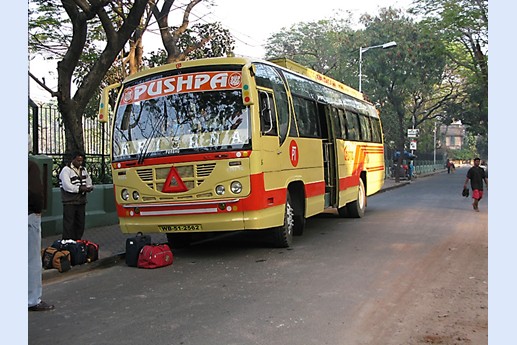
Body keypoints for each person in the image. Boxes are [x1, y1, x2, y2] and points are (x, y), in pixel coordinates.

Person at [29, 159, 55, 311]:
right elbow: (35, 192)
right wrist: (38, 209)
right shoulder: (30, 165)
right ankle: (32, 300)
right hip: (29, 216)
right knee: (32, 260)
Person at [59, 151, 93, 240]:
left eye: (81, 161)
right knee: (69, 225)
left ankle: (77, 242)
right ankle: (67, 243)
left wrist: (89, 187)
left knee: (80, 224)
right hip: (70, 202)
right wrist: (80, 189)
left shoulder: (83, 170)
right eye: (78, 160)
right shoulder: (66, 170)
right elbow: (67, 186)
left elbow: (89, 181)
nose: (80, 163)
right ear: (73, 160)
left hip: (81, 201)